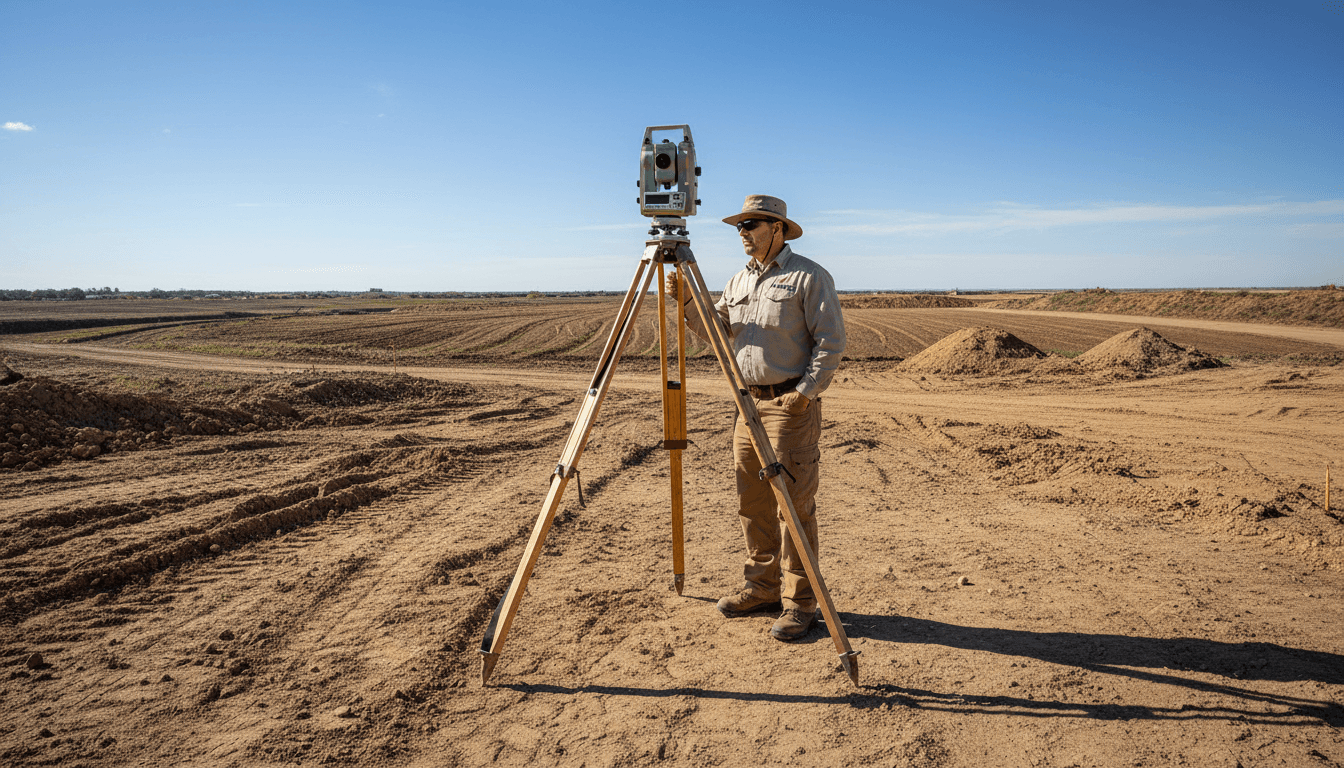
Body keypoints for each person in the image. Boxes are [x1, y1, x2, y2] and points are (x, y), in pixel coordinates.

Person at [669, 194, 846, 641]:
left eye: (751, 225)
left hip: (789, 407)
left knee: (793, 507)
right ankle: (762, 588)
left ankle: (801, 603)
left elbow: (831, 342)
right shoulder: (737, 281)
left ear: (778, 229)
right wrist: (688, 301)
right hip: (745, 405)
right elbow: (715, 329)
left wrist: (804, 395)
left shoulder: (809, 276)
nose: (743, 233)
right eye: (740, 227)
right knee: (754, 504)